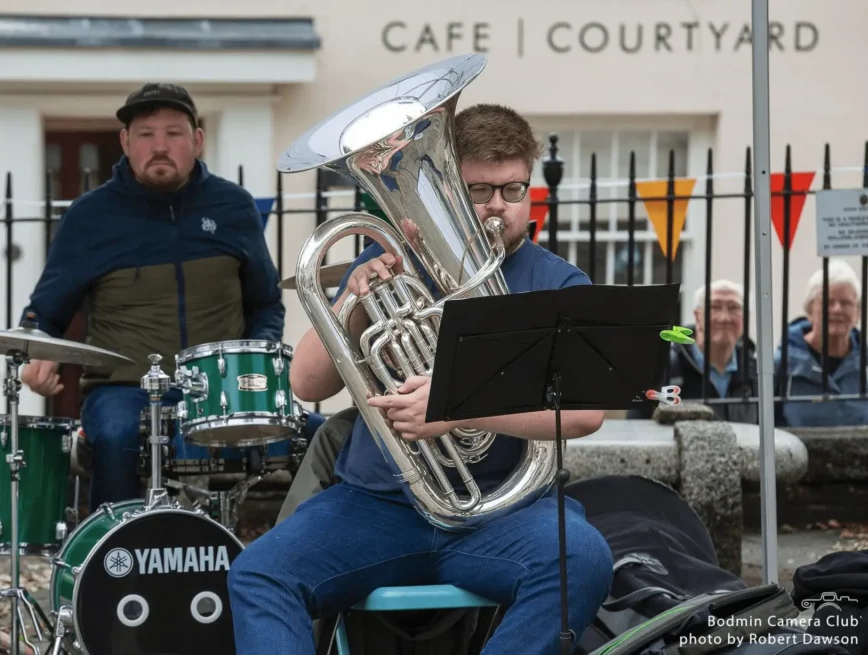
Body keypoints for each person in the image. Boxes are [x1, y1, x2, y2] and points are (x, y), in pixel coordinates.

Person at [227, 104, 614, 655]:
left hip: (504, 512)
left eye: (514, 190)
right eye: (480, 191)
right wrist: (355, 305)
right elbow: (307, 384)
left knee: (584, 559)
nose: (498, 207)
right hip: (378, 506)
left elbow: (584, 412)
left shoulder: (559, 283)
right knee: (258, 574)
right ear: (450, 188)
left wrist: (457, 407)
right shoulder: (392, 261)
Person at [18, 83, 290, 512]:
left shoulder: (233, 207)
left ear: (197, 140)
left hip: (219, 388)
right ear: (126, 142)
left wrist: (252, 369)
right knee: (115, 437)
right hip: (121, 389)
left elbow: (266, 305)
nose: (159, 146)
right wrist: (36, 350)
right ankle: (110, 556)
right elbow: (46, 311)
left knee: (320, 435)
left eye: (174, 133)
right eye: (145, 134)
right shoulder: (90, 216)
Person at [628, 279, 759, 423]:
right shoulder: (661, 366)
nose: (724, 318)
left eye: (734, 307)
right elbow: (636, 428)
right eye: (714, 307)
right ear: (697, 316)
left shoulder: (756, 370)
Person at [776, 260, 868, 427]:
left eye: (846, 303)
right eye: (828, 302)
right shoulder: (781, 364)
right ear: (809, 310)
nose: (837, 309)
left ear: (858, 312)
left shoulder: (865, 363)